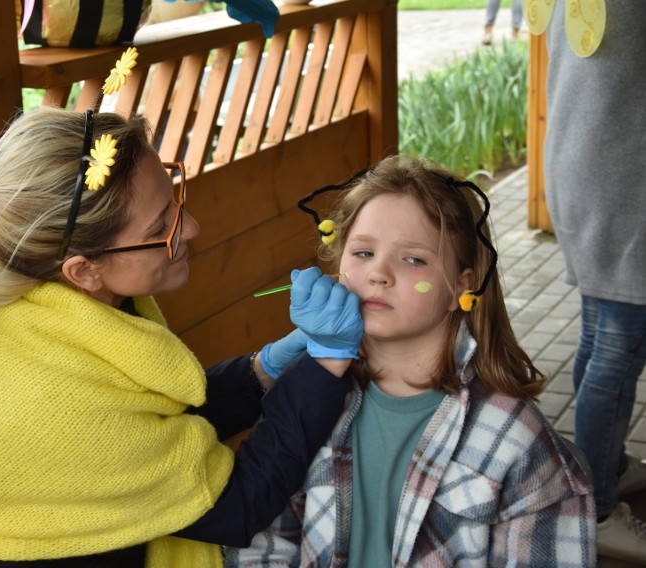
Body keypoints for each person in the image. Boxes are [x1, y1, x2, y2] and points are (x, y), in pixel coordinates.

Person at [0, 103, 366, 567]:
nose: (189, 228)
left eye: (174, 197)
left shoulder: (26, 269)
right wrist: (325, 367)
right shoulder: (45, 398)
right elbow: (236, 504)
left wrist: (261, 372)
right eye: (160, 227)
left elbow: (136, 421)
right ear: (83, 270)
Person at [225, 155, 596, 567]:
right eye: (363, 252)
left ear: (462, 286)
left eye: (413, 259)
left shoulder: (516, 439)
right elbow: (264, 545)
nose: (379, 273)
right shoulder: (302, 403)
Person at [543, 1, 646, 563]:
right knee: (618, 353)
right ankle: (597, 509)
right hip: (625, 186)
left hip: (586, 169)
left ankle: (600, 467)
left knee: (600, 336)